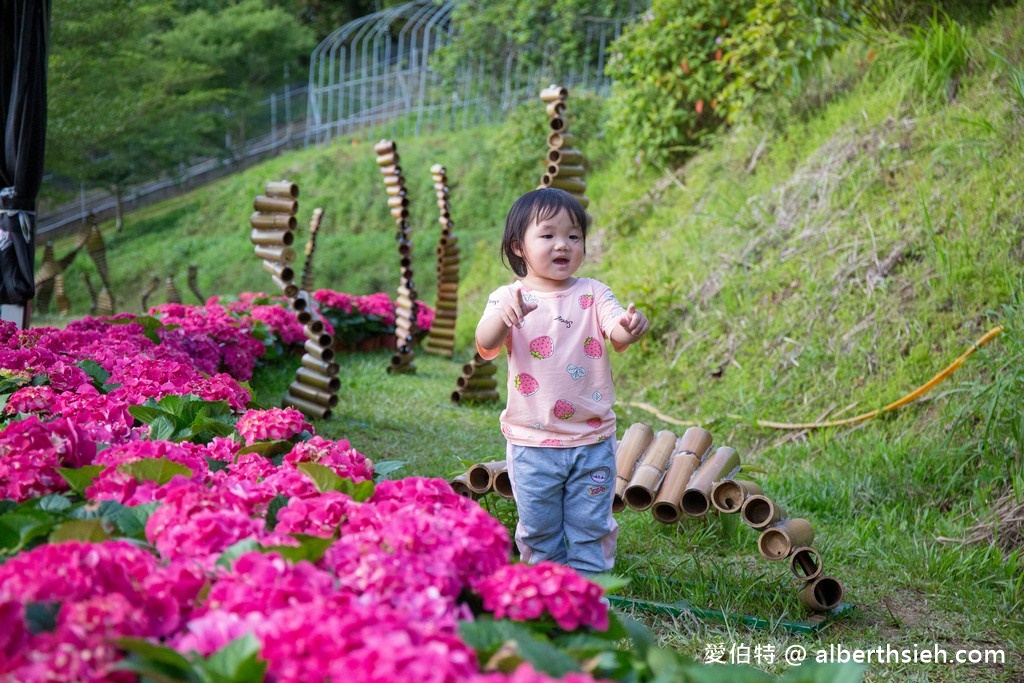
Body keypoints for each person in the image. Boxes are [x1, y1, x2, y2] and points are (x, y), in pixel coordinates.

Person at [475, 187, 650, 575]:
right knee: (539, 532)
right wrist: (504, 316)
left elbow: (616, 329)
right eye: (548, 234)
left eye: (574, 236)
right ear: (518, 246)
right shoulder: (508, 296)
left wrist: (630, 327)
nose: (563, 245)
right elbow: (485, 342)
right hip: (532, 443)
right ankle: (547, 591)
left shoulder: (593, 293)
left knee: (591, 527)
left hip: (592, 441)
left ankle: (591, 594)